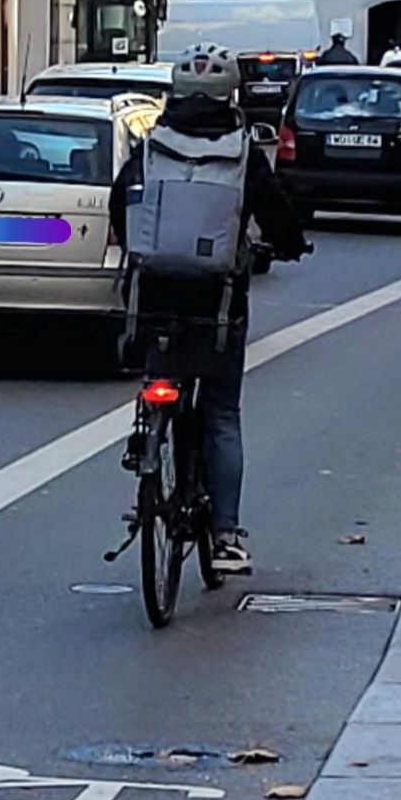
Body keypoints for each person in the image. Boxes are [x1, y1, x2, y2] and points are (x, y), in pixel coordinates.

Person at [108, 44, 309, 575]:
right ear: (232, 95)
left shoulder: (152, 146)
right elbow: (276, 213)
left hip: (154, 295)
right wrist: (291, 244)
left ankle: (149, 447)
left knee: (160, 377)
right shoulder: (242, 151)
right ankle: (225, 534)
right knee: (221, 412)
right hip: (217, 303)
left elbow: (119, 202)